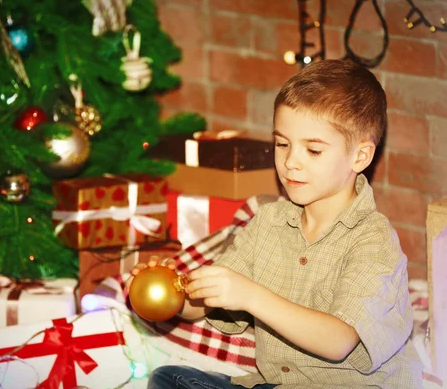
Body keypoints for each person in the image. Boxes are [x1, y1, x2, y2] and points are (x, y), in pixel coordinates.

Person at [127, 59, 423, 388]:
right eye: (282, 144)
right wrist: (173, 289)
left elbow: (338, 341)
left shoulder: (373, 240)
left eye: (313, 150)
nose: (290, 162)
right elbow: (204, 307)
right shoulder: (268, 222)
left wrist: (251, 296)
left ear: (360, 157)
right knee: (169, 380)